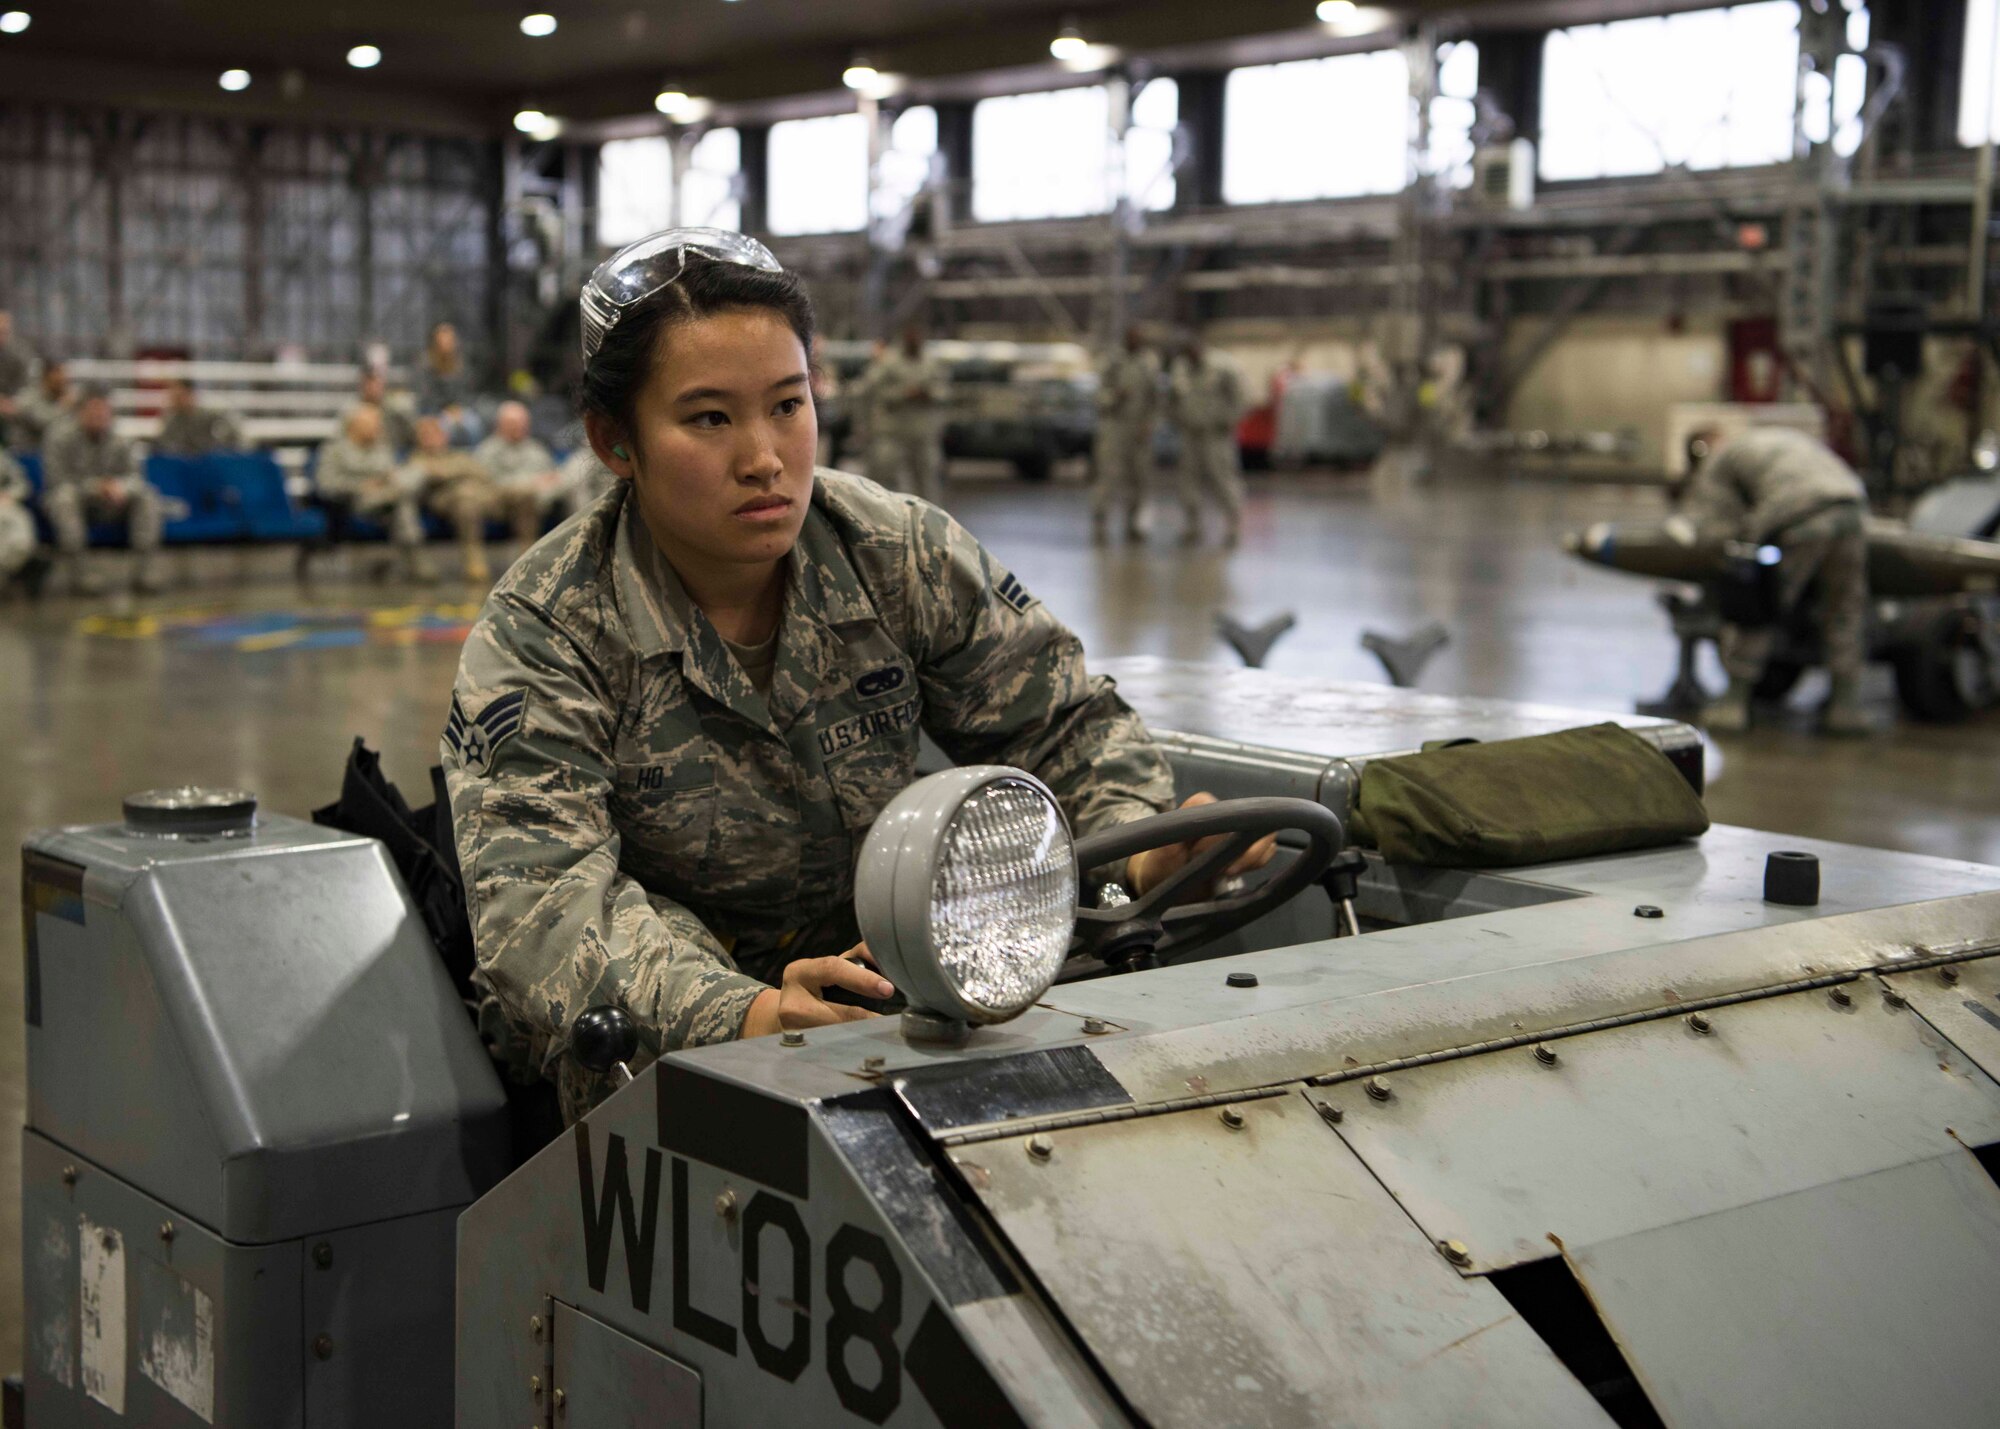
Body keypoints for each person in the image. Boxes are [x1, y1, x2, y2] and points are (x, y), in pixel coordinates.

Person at [441, 227, 1275, 1120]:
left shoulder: (897, 552)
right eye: (709, 418)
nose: (763, 457)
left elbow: (1061, 727)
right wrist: (748, 1013)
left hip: (890, 1006)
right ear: (616, 442)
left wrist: (1142, 846)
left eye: (788, 406)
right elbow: (540, 910)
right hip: (657, 1063)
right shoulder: (547, 631)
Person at [1675, 425, 1870, 735]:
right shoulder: (1770, 438)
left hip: (1799, 515)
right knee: (1845, 609)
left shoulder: (1719, 461)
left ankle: (1734, 703)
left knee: (1758, 599)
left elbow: (1715, 529)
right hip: (1852, 507)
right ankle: (1844, 707)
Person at [41, 384, 166, 595]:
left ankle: (145, 574)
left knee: (147, 496)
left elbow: (136, 477)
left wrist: (121, 487)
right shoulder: (58, 438)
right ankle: (82, 577)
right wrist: (96, 487)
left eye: (103, 411)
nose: (99, 416)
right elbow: (56, 481)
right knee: (63, 499)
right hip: (75, 504)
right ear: (80, 412)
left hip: (111, 505)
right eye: (93, 411)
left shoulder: (120, 441)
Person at [313, 405, 432, 581]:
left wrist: (389, 479)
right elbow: (325, 484)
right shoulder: (334, 450)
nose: (378, 428)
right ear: (355, 425)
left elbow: (391, 472)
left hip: (388, 500)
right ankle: (418, 563)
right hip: (355, 503)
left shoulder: (382, 448)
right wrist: (361, 486)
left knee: (411, 484)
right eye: (373, 424)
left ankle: (414, 563)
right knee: (402, 498)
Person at [398, 414, 498, 582]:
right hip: (442, 501)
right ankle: (474, 562)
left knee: (519, 495)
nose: (431, 438)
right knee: (465, 499)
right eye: (426, 435)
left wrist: (449, 472)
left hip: (478, 497)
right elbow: (426, 478)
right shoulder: (416, 459)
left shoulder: (459, 455)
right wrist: (457, 473)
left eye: (435, 434)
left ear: (444, 436)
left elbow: (483, 475)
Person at [1168, 337, 1246, 547]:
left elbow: (1241, 396)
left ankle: (1232, 523)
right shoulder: (1181, 368)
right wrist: (1175, 419)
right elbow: (1172, 398)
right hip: (1190, 433)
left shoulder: (1223, 366)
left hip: (1215, 434)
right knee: (1187, 482)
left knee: (1222, 478)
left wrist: (1229, 420)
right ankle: (1192, 524)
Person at [863, 326, 949, 504]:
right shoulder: (889, 361)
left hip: (923, 432)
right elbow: (873, 389)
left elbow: (944, 392)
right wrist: (902, 394)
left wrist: (928, 394)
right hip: (893, 431)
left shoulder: (931, 362)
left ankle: (929, 518)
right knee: (884, 474)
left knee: (927, 477)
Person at [1093, 327, 1160, 544]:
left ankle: (1134, 524)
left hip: (1138, 428)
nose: (1135, 341)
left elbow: (1156, 398)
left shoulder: (1148, 363)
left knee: (1138, 478)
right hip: (1114, 426)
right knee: (1108, 475)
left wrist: (1150, 424)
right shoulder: (1112, 361)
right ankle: (1100, 522)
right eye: (1132, 337)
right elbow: (1098, 394)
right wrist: (1114, 398)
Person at [473, 400, 562, 543]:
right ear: (500, 424)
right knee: (525, 495)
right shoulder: (487, 451)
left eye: (523, 422)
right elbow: (488, 484)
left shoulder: (536, 448)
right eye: (513, 422)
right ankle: (526, 555)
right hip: (500, 504)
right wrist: (531, 483)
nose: (520, 426)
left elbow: (551, 475)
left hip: (539, 501)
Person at [415, 321, 479, 445]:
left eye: (450, 339)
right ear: (435, 342)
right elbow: (426, 396)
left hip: (460, 410)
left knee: (474, 425)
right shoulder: (425, 364)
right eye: (442, 339)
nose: (446, 343)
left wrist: (459, 409)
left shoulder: (461, 364)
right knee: (445, 428)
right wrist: (447, 411)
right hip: (435, 411)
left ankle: (471, 458)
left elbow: (468, 391)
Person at [0, 445, 50, 597]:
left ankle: (12, 570)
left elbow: (22, 483)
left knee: (20, 534)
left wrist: (9, 495)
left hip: (4, 505)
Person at [152, 378, 246, 457]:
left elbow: (232, 426)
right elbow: (164, 442)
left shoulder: (209, 410)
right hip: (185, 462)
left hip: (210, 458)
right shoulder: (172, 416)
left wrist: (220, 446)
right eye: (173, 396)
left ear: (189, 394)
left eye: (179, 395)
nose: (175, 400)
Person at [344, 369, 417, 452]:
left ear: (383, 386)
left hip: (392, 451)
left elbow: (410, 429)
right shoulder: (352, 411)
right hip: (359, 452)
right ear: (362, 387)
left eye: (376, 385)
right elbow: (344, 438)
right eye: (369, 385)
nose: (373, 389)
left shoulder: (393, 407)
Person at [13, 361, 75, 451]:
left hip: (56, 452)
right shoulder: (28, 399)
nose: (62, 382)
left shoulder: (65, 397)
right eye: (58, 379)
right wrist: (63, 407)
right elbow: (43, 424)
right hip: (27, 452)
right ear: (46, 378)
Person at [0, 309, 40, 447]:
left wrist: (14, 403)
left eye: (4, 331)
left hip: (14, 406)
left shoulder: (20, 354)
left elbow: (29, 387)